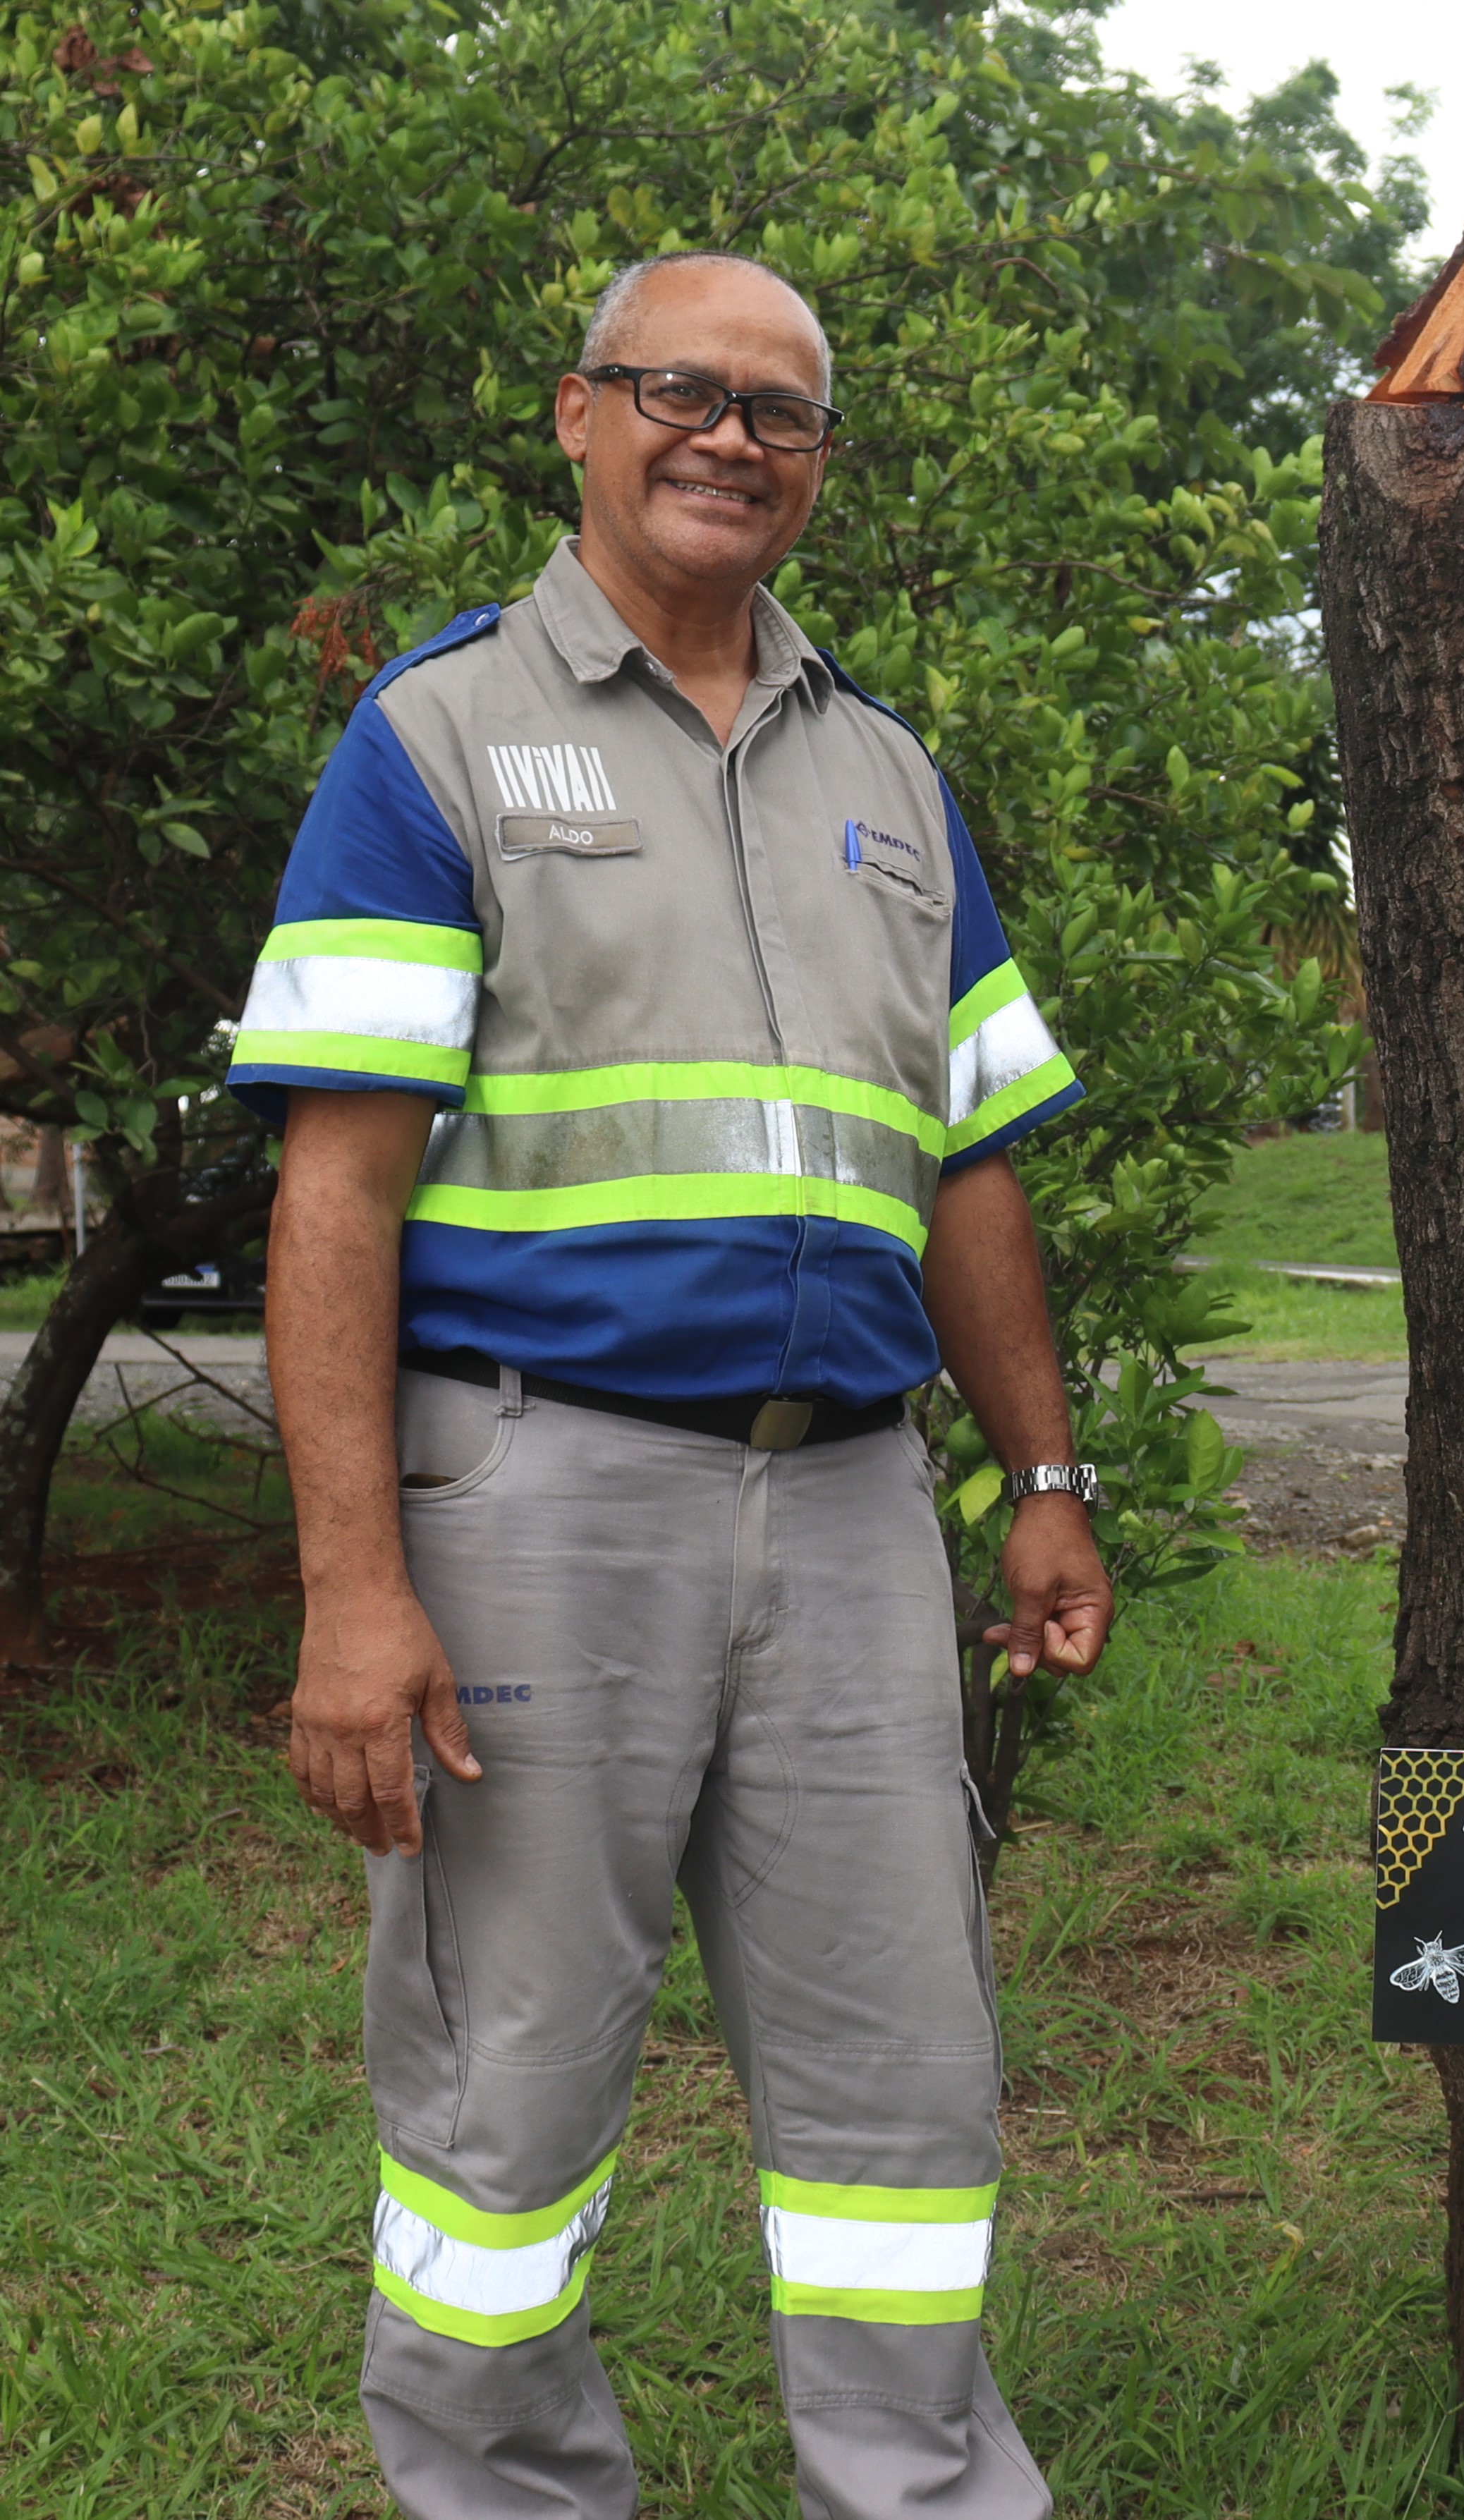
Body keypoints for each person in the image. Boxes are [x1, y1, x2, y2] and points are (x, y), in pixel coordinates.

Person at [235, 250, 1105, 2519]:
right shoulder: (434, 737)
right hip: (541, 1496)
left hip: (847, 1513)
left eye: (781, 412)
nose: (730, 438)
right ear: (578, 417)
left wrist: (1043, 1472)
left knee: (901, 2077)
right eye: (679, 393)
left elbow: (975, 1161)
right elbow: (336, 1194)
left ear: (819, 463)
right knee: (506, 2088)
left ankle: (915, 2496)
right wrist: (353, 1589)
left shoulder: (894, 779)